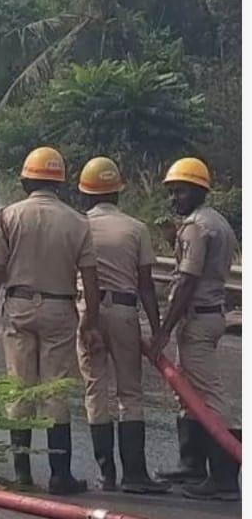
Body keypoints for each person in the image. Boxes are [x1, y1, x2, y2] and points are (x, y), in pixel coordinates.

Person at [0, 146, 103, 495]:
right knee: (55, 391)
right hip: (60, 309)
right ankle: (60, 476)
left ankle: (21, 473)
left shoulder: (9, 216)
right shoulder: (78, 222)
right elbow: (91, 278)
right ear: (60, 183)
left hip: (18, 307)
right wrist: (90, 322)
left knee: (20, 388)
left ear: (26, 179)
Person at [74, 157, 170, 494]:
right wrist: (157, 330)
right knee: (130, 393)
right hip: (125, 312)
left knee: (95, 390)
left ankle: (106, 475)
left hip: (89, 312)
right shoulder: (136, 228)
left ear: (85, 193)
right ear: (118, 192)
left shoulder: (79, 225)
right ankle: (135, 475)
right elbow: (146, 285)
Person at [150, 158, 241, 501]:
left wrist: (164, 330)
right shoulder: (215, 221)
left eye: (181, 191)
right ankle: (192, 464)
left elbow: (187, 280)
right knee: (187, 392)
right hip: (209, 314)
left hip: (198, 318)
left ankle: (223, 477)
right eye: (171, 192)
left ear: (199, 190)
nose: (174, 199)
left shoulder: (196, 227)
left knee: (210, 397)